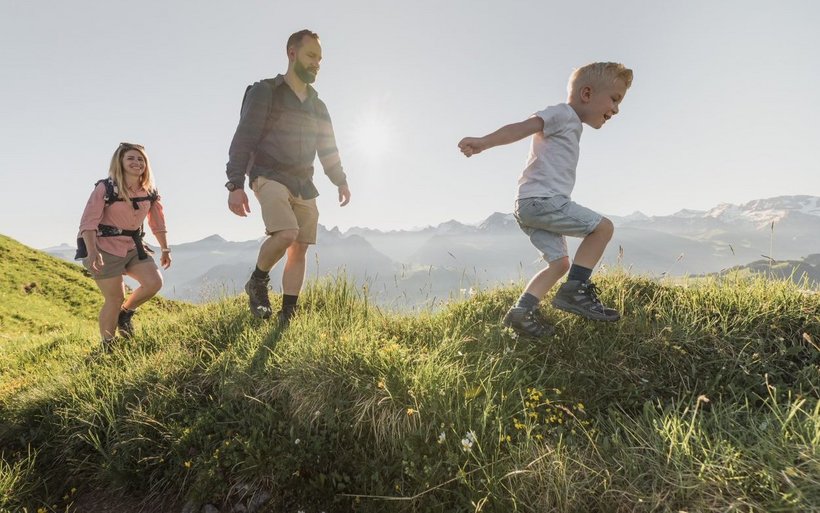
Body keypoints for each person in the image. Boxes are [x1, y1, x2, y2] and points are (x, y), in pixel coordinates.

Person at [458, 62, 633, 337]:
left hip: (531, 206)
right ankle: (575, 290)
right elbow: (523, 127)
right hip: (542, 201)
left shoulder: (571, 123)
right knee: (603, 228)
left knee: (560, 263)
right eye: (614, 99)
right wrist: (484, 142)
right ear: (587, 94)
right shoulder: (562, 114)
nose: (617, 109)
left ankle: (521, 312)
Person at [224, 29, 350, 326]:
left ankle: (288, 314)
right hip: (268, 174)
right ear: (291, 53)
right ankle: (257, 281)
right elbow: (244, 137)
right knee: (286, 233)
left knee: (300, 247)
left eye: (320, 59)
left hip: (304, 181)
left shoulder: (318, 106)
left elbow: (328, 147)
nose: (316, 63)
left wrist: (340, 179)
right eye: (311, 56)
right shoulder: (265, 91)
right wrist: (235, 184)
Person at [77, 142, 171, 351]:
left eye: (141, 159)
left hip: (133, 246)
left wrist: (165, 249)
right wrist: (92, 251)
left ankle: (125, 314)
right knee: (115, 297)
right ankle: (107, 346)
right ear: (120, 162)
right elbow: (88, 223)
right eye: (131, 158)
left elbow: (158, 223)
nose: (137, 163)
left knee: (154, 282)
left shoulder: (150, 191)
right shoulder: (105, 187)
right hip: (104, 247)